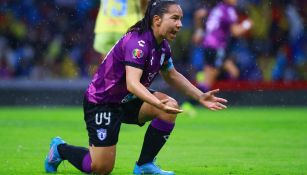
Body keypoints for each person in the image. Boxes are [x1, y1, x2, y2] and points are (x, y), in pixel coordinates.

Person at [44, 0, 227, 174]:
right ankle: (59, 149)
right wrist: (156, 102)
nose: (180, 24)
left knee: (169, 108)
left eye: (180, 19)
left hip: (127, 100)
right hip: (103, 102)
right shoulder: (138, 43)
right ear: (157, 20)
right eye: (175, 18)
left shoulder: (162, 46)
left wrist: (200, 96)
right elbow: (132, 84)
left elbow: (171, 74)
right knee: (100, 168)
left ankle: (144, 165)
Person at [194, 0, 253, 91]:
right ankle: (190, 102)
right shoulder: (229, 10)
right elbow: (235, 32)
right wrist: (247, 25)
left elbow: (199, 14)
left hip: (207, 45)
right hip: (217, 47)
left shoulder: (217, 8)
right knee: (209, 81)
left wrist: (199, 31)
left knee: (231, 71)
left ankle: (202, 78)